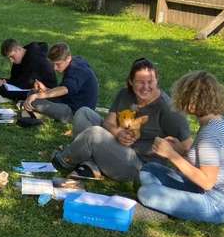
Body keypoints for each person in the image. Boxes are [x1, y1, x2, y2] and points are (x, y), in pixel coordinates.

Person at [51, 58, 191, 181]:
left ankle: (64, 160)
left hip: (138, 164)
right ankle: (91, 165)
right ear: (131, 81)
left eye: (150, 82)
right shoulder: (125, 94)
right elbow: (108, 122)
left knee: (94, 134)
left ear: (157, 80)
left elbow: (187, 147)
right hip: (116, 145)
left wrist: (170, 151)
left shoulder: (168, 109)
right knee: (84, 113)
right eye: (140, 82)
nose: (146, 87)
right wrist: (118, 132)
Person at [137, 70, 224, 224]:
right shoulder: (219, 121)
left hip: (222, 205)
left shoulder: (210, 134)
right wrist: (182, 149)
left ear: (192, 103)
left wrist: (172, 155)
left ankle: (169, 206)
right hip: (205, 191)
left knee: (147, 193)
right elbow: (207, 162)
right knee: (150, 170)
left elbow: (207, 182)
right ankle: (175, 205)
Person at [22, 42, 98, 123]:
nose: (55, 68)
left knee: (34, 100)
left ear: (68, 58)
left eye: (58, 64)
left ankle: (40, 112)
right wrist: (45, 89)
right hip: (69, 101)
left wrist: (38, 95)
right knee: (33, 92)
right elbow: (66, 90)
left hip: (76, 112)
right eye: (53, 64)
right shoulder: (75, 61)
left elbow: (65, 89)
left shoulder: (76, 70)